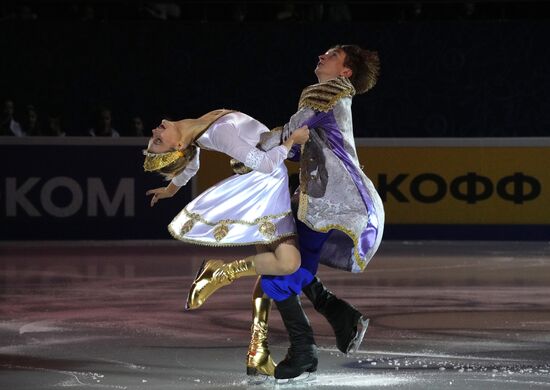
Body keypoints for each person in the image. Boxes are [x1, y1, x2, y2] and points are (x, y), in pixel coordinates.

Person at [244, 44, 385, 380]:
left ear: (345, 71)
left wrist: (245, 146)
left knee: (280, 270)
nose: (322, 56)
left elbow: (290, 132)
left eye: (332, 55)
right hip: (326, 198)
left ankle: (306, 346)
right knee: (287, 262)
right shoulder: (335, 95)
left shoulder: (326, 92)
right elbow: (298, 146)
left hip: (329, 200)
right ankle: (337, 317)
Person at [144, 109, 310, 313]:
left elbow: (191, 166)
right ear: (178, 145)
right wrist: (292, 140)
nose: (155, 132)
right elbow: (265, 164)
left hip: (263, 187)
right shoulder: (217, 133)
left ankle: (220, 275)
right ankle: (220, 274)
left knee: (284, 264)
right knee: (288, 263)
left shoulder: (198, 137)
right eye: (158, 141)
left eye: (154, 138)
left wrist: (171, 190)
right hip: (266, 188)